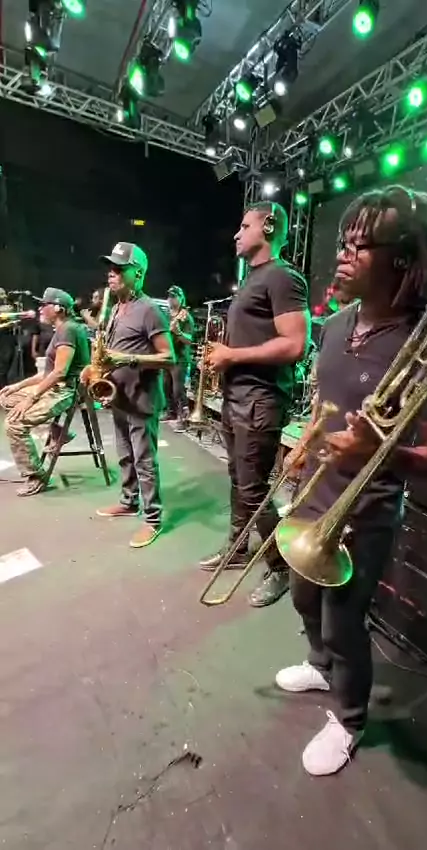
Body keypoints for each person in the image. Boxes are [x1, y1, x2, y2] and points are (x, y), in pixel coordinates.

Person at [275, 185, 427, 777]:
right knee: (303, 593)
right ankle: (320, 664)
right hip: (315, 491)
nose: (343, 253)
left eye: (361, 246)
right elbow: (326, 404)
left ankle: (349, 717)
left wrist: (382, 453)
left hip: (368, 510)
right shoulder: (335, 325)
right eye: (344, 241)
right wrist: (306, 439)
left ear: (403, 260)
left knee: (343, 619)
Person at [200, 201, 310, 607]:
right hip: (239, 397)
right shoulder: (254, 278)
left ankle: (280, 567)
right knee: (239, 481)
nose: (236, 233)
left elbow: (296, 345)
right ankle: (237, 546)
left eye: (244, 226)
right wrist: (223, 357)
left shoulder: (282, 276)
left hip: (259, 401)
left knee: (253, 488)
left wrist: (232, 355)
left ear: (268, 226)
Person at [81, 242, 175, 549]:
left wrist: (127, 359)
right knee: (125, 456)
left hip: (142, 400)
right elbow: (108, 351)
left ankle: (153, 519)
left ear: (139, 273)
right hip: (120, 398)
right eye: (111, 268)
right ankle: (129, 501)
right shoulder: (115, 309)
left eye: (120, 269)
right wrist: (94, 368)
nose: (112, 273)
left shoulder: (150, 310)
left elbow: (169, 357)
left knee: (144, 462)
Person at [0, 287, 90, 496]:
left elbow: (59, 373)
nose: (40, 309)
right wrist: (18, 386)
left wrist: (32, 397)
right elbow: (47, 373)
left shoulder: (68, 329)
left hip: (66, 391)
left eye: (44, 305)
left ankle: (36, 476)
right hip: (57, 386)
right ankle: (57, 431)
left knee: (14, 424)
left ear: (58, 308)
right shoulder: (62, 329)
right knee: (5, 397)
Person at [167, 284, 195, 431]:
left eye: (174, 297)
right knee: (166, 386)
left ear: (181, 298)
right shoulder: (167, 315)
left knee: (178, 389)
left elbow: (189, 340)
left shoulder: (185, 317)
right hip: (168, 357)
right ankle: (171, 412)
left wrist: (178, 332)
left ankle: (183, 419)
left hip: (180, 358)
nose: (170, 299)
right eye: (169, 296)